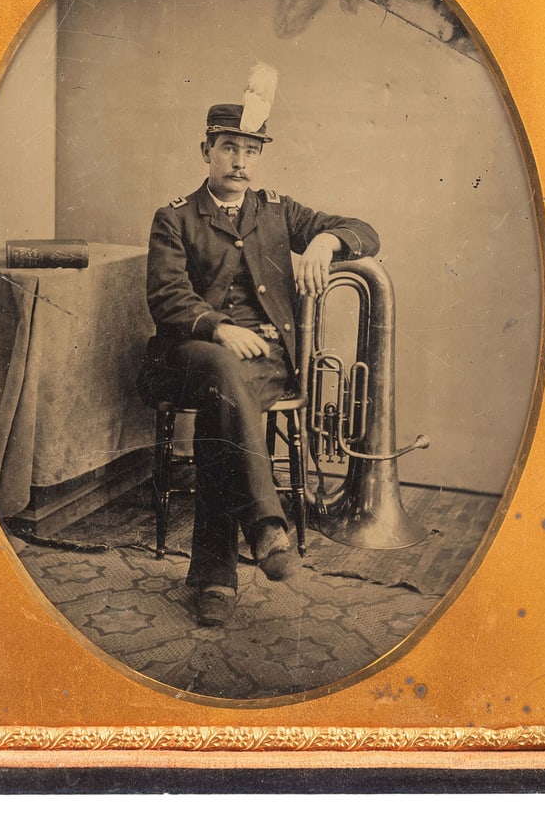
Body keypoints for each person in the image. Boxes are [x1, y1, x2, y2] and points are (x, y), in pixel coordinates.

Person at [137, 66, 380, 626]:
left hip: (265, 363)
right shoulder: (174, 217)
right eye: (229, 148)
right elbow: (167, 296)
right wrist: (218, 328)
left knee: (225, 404)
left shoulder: (277, 211)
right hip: (189, 356)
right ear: (206, 151)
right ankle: (267, 526)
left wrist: (325, 240)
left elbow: (365, 230)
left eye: (251, 151)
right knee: (223, 375)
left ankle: (214, 579)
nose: (240, 161)